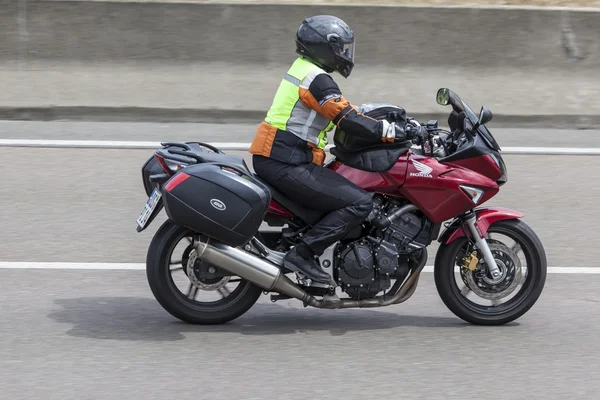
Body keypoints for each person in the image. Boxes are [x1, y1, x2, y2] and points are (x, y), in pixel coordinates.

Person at [249, 15, 416, 283]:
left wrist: (381, 120)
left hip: (282, 158)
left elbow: (345, 111)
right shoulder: (315, 79)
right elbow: (347, 117)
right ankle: (303, 254)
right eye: (340, 48)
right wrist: (390, 131)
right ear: (323, 47)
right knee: (360, 202)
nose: (344, 54)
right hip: (286, 162)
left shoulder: (306, 70)